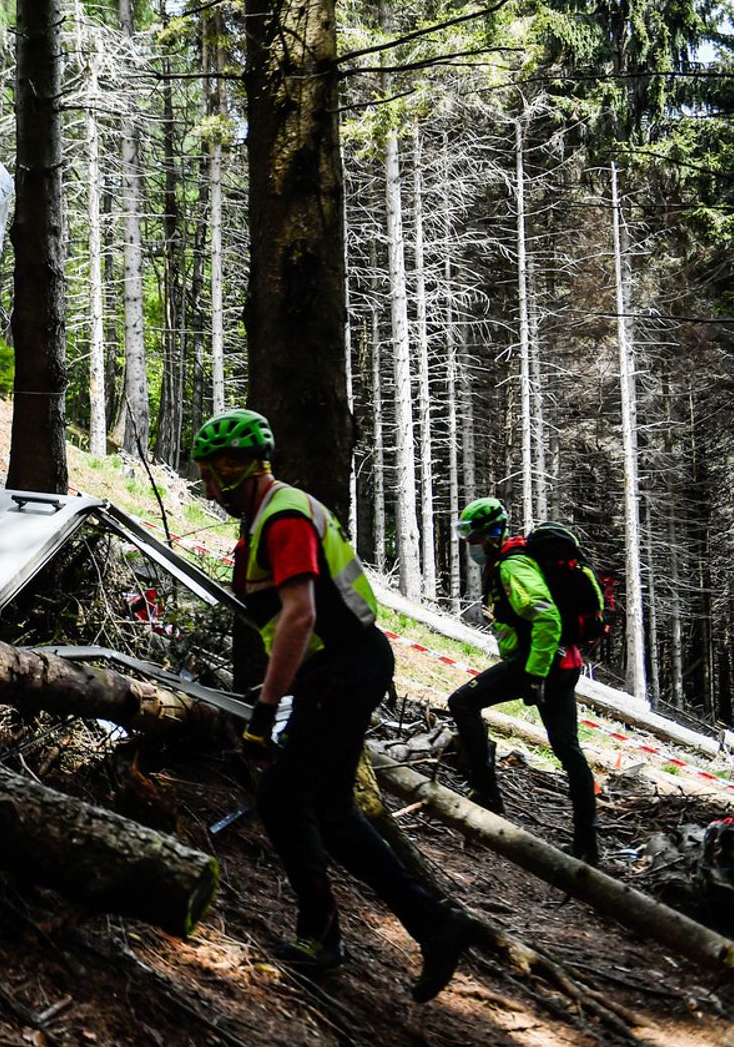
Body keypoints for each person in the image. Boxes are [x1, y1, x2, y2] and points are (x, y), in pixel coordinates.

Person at [193, 408, 479, 1002]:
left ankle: (324, 936)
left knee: (283, 797)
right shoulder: (268, 514)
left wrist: (268, 709)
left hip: (343, 669)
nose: (205, 486)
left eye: (209, 473)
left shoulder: (284, 517)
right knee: (331, 810)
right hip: (334, 669)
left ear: (234, 467)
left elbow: (301, 614)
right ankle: (434, 923)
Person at [449, 498, 599, 864]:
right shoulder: (512, 561)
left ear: (492, 535)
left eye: (474, 540)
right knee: (568, 750)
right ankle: (587, 846)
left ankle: (488, 797)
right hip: (563, 666)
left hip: (538, 664)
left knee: (462, 703)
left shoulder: (513, 567)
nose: (471, 547)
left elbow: (548, 619)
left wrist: (533, 675)